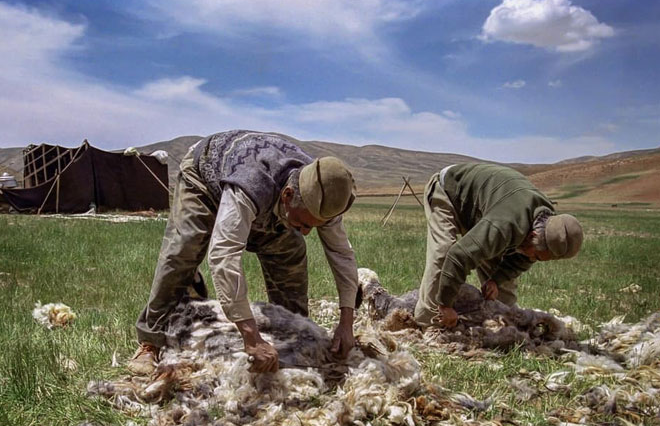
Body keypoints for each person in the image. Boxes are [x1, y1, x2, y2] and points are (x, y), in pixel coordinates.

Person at [128, 130, 358, 375]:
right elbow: (224, 254)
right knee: (184, 249)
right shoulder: (252, 182)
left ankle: (295, 338)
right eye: (303, 223)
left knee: (291, 252)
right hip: (205, 179)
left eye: (315, 225)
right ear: (288, 195)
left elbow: (342, 256)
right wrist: (251, 337)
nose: (308, 231)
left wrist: (346, 323)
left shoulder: (323, 195)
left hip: (272, 202)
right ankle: (150, 341)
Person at [415, 163, 584, 328]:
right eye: (536, 256)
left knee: (503, 286)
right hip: (450, 191)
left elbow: (521, 258)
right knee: (443, 253)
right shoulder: (506, 224)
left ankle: (502, 323)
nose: (532, 259)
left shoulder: (546, 224)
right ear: (532, 235)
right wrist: (446, 304)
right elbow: (459, 256)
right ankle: (430, 324)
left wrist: (496, 280)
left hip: (486, 212)